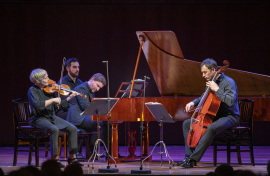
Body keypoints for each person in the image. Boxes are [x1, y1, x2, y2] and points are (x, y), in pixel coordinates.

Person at [176, 58, 239, 168]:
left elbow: (230, 102)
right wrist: (193, 102)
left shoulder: (229, 82)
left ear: (213, 70)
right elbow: (203, 97)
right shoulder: (211, 82)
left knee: (211, 128)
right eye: (202, 72)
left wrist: (217, 90)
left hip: (229, 116)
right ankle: (188, 157)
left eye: (205, 72)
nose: (203, 75)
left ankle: (193, 159)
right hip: (215, 116)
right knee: (187, 123)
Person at [28, 68, 83, 168]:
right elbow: (38, 105)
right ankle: (55, 159)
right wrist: (53, 99)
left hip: (51, 117)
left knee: (73, 129)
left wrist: (69, 97)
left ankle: (72, 157)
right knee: (54, 129)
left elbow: (58, 106)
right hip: (39, 119)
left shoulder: (50, 89)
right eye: (46, 78)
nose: (48, 79)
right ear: (38, 80)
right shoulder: (32, 90)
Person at [66, 73, 106, 155]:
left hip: (84, 117)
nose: (98, 89)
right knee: (101, 122)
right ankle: (95, 151)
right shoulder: (81, 88)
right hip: (78, 118)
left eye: (99, 88)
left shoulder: (90, 90)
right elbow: (85, 107)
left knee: (104, 121)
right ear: (92, 80)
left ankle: (95, 151)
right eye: (97, 86)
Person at [56, 58, 84, 157]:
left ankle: (93, 150)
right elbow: (61, 104)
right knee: (76, 118)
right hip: (63, 113)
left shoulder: (80, 83)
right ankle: (75, 152)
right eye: (74, 67)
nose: (77, 69)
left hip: (75, 112)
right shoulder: (61, 83)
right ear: (67, 68)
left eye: (78, 67)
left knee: (91, 119)